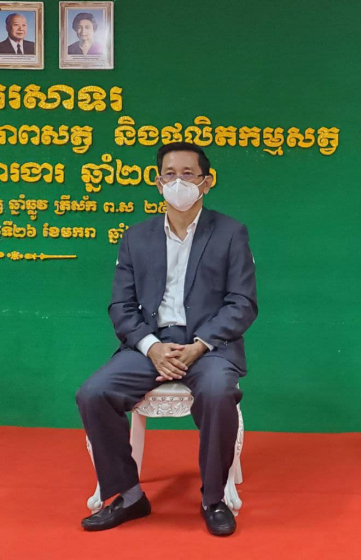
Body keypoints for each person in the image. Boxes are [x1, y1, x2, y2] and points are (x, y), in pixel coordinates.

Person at [76, 142, 257, 536]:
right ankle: (128, 496)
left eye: (188, 174)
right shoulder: (136, 237)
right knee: (93, 393)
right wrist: (151, 346)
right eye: (169, 174)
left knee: (217, 391)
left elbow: (242, 303)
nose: (178, 182)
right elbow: (120, 306)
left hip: (209, 347)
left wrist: (200, 345)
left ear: (206, 182)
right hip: (150, 345)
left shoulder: (230, 233)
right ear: (158, 183)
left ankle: (213, 499)